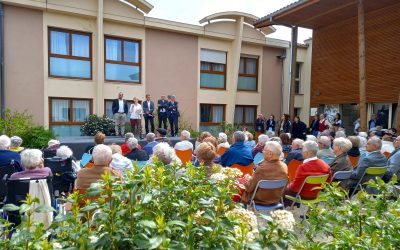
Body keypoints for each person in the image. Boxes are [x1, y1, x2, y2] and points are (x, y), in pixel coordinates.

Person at [283, 141, 332, 206]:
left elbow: (295, 188)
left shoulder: (303, 167)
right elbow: (328, 182)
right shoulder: (326, 166)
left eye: (302, 150)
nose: (301, 152)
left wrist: (288, 186)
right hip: (315, 195)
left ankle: (281, 212)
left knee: (282, 190)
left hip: (302, 195)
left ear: (307, 153)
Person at [241, 141, 288, 206]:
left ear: (270, 154)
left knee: (239, 185)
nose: (262, 151)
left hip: (259, 199)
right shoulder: (284, 166)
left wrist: (246, 179)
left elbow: (249, 188)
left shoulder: (262, 168)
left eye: (264, 150)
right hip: (275, 199)